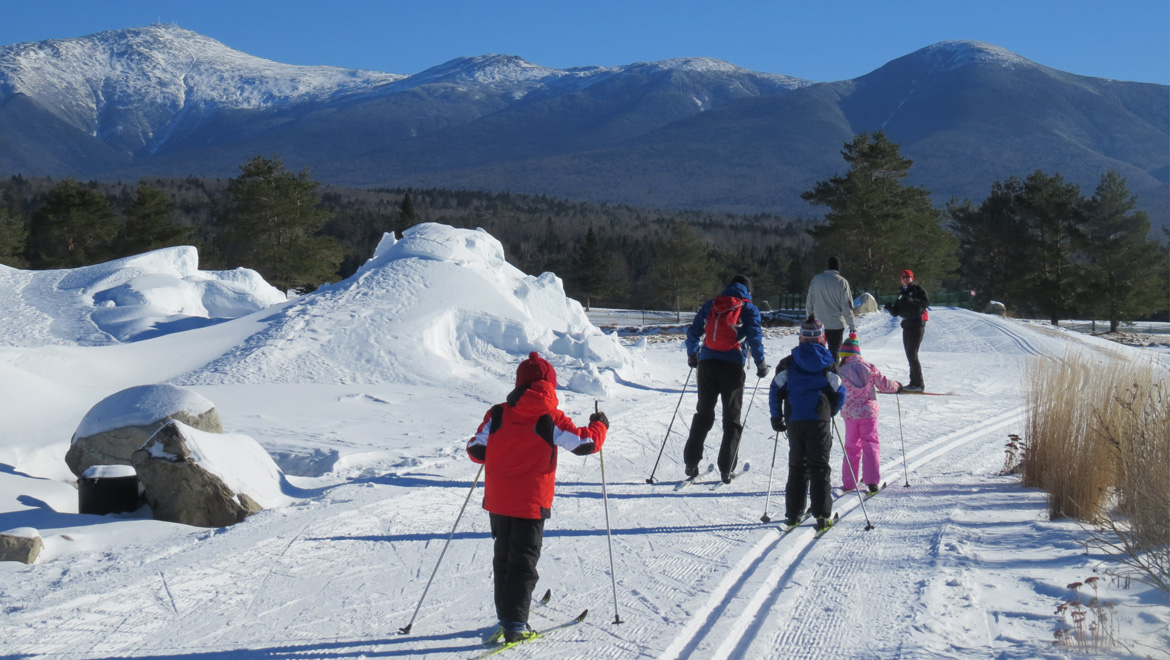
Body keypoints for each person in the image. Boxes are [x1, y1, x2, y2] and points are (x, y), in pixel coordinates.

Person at [466, 351, 609, 644]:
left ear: (519, 383)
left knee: (504, 558)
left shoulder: (498, 413)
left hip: (498, 501)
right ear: (550, 385)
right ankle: (515, 624)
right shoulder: (550, 417)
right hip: (531, 504)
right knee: (524, 562)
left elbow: (475, 450)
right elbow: (586, 444)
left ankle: (507, 615)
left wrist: (502, 448)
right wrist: (600, 424)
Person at [683, 274, 768, 483]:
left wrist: (693, 354)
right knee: (731, 418)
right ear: (748, 290)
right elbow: (755, 338)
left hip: (707, 364)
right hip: (732, 365)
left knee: (703, 413)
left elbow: (694, 331)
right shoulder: (748, 308)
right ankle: (726, 467)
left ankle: (691, 462)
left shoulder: (712, 304)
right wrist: (760, 364)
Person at [768, 316, 845, 531]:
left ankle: (793, 514)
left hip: (795, 418)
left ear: (801, 338)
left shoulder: (789, 362)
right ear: (822, 338)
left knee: (797, 466)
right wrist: (832, 411)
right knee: (819, 466)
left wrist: (776, 416)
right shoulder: (828, 361)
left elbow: (776, 389)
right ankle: (822, 515)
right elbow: (840, 390)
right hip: (819, 417)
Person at [837, 333, 901, 492]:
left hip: (850, 415)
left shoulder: (841, 371)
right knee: (870, 444)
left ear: (844, 356)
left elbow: (835, 389)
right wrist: (897, 386)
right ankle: (872, 481)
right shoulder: (869, 367)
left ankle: (849, 482)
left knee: (851, 446)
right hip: (868, 413)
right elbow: (884, 385)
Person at [885, 269, 929, 392]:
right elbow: (896, 312)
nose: (905, 279)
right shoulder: (901, 294)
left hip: (917, 324)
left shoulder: (917, 290)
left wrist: (914, 301)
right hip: (906, 324)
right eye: (903, 277)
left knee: (912, 354)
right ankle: (913, 382)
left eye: (907, 277)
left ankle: (919, 384)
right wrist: (890, 308)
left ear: (912, 278)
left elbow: (926, 303)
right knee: (909, 355)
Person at [806, 256, 856, 363]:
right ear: (838, 267)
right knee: (834, 352)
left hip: (818, 324)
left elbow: (809, 301)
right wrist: (852, 325)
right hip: (836, 324)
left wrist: (809, 318)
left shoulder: (816, 279)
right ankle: (834, 375)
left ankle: (819, 375)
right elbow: (846, 306)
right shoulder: (842, 282)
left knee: (818, 352)